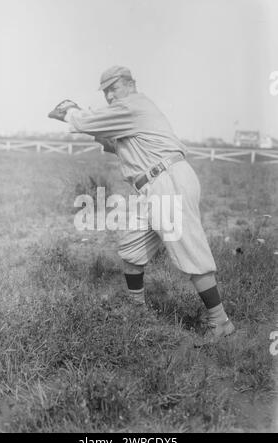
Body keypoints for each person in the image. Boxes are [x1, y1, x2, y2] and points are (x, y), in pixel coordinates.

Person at [48, 65, 235, 344]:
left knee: (189, 249)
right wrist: (85, 122)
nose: (110, 95)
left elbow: (88, 123)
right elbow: (111, 141)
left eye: (114, 87)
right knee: (131, 247)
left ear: (130, 84)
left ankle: (220, 322)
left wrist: (70, 111)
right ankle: (137, 310)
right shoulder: (128, 114)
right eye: (106, 91)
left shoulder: (133, 105)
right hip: (153, 185)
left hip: (167, 180)